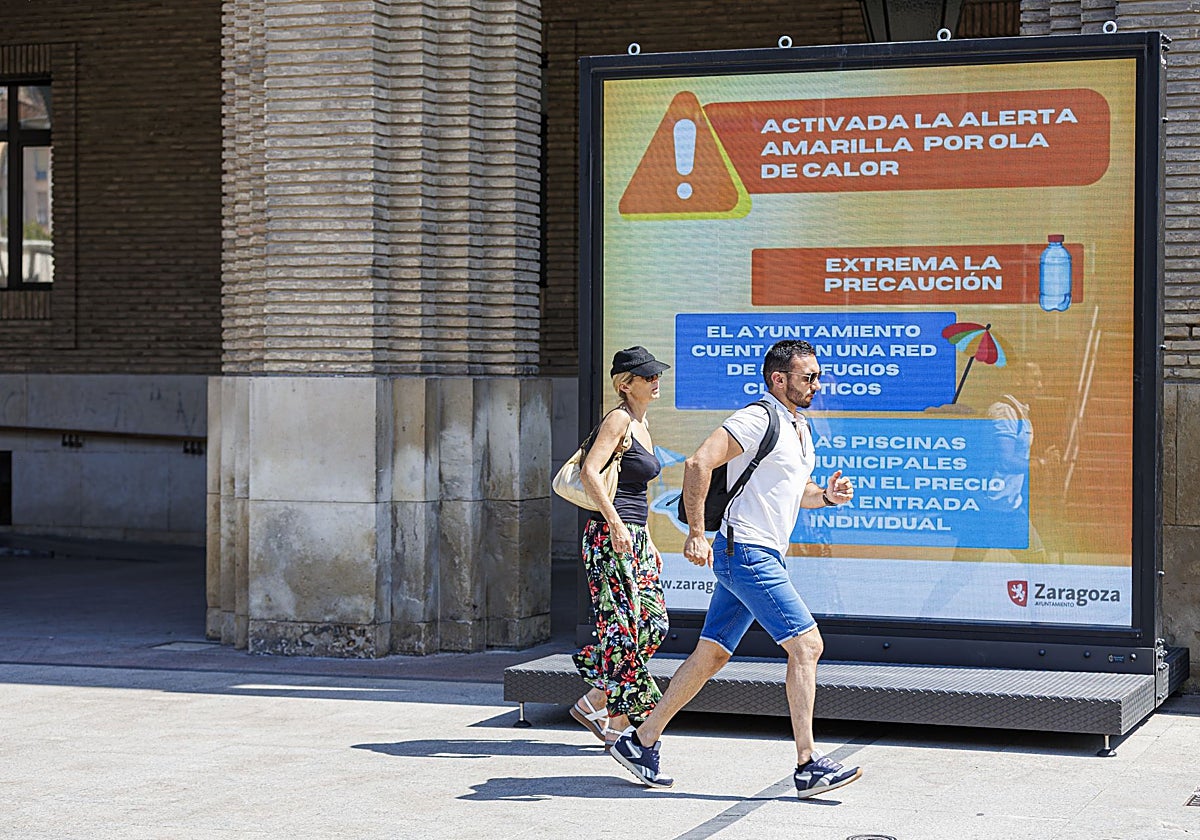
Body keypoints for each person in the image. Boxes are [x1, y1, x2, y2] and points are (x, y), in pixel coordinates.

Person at [609, 339, 862, 798]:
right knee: (807, 646)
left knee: (713, 654)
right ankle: (807, 765)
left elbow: (794, 491)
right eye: (808, 377)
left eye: (818, 375)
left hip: (759, 551)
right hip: (745, 551)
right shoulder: (756, 417)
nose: (816, 384)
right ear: (778, 379)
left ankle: (640, 740)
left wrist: (825, 496)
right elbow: (698, 462)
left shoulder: (799, 427)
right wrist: (696, 533)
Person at [570, 346, 671, 750]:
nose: (655, 381)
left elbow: (636, 489)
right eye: (647, 376)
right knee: (621, 632)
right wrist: (614, 523)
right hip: (608, 535)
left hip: (635, 535)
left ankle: (595, 699)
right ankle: (619, 722)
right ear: (625, 384)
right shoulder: (618, 420)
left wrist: (649, 539)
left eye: (656, 375)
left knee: (653, 624)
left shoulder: (642, 426)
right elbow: (589, 472)